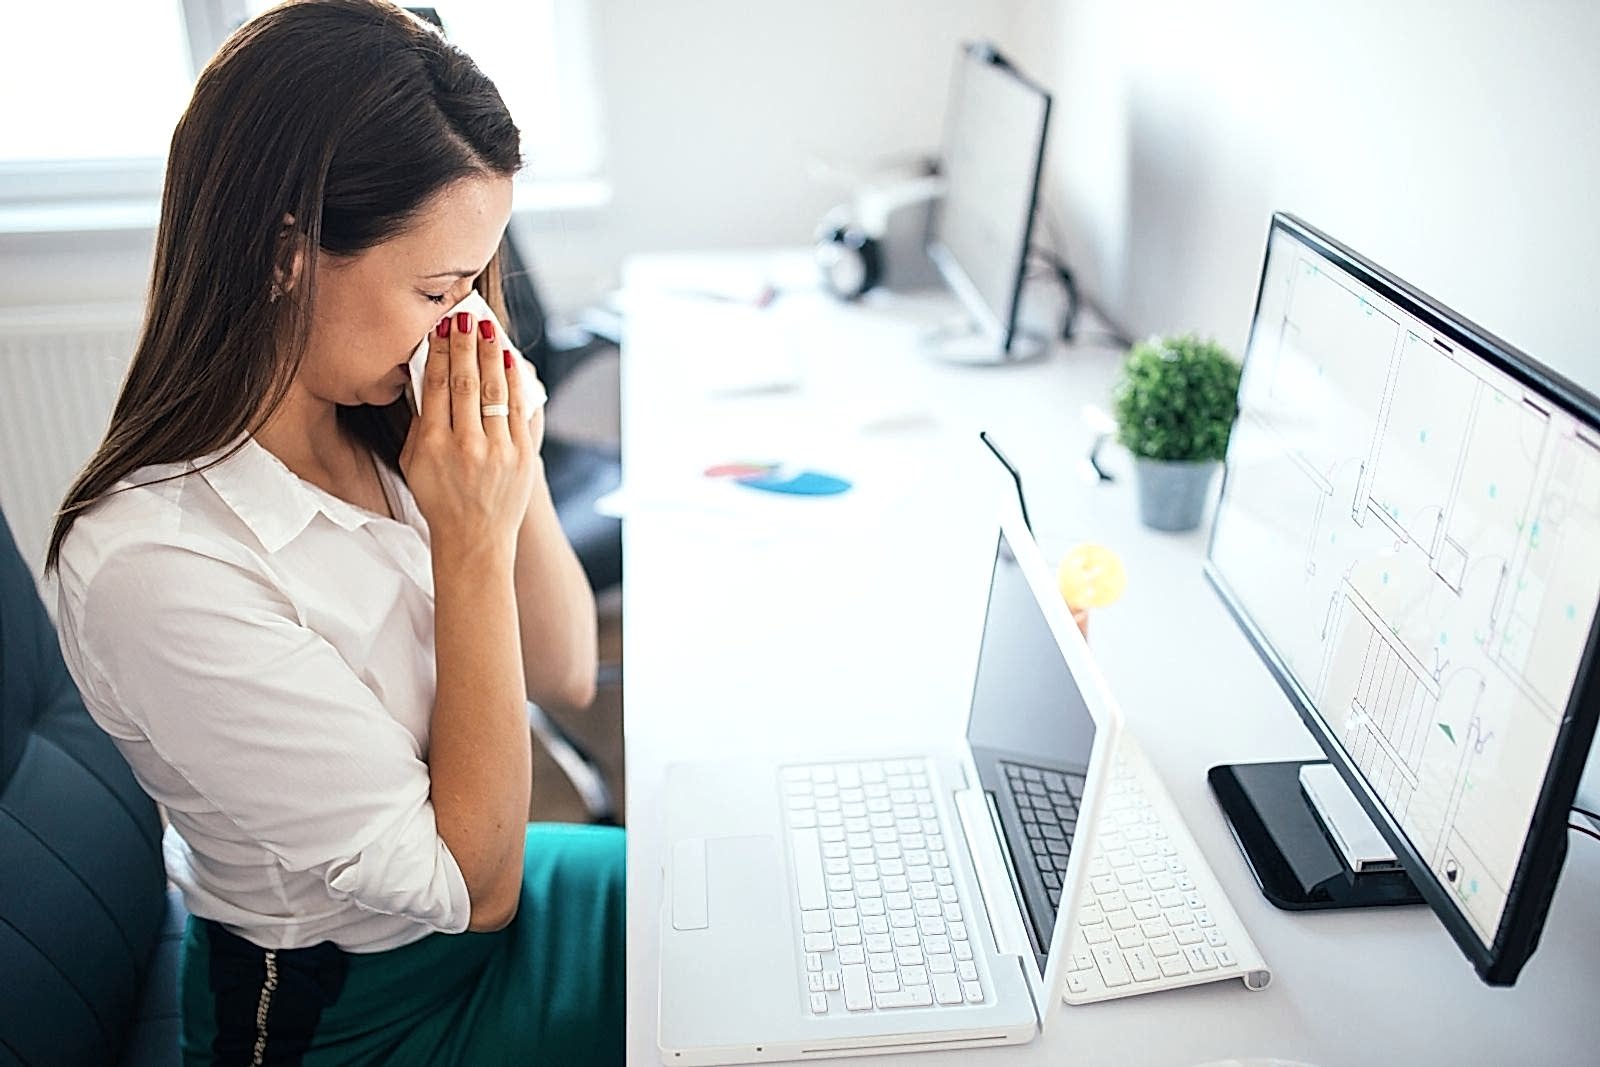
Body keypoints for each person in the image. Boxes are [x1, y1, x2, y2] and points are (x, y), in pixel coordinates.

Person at [45, 2, 623, 1062]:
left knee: (744, 901)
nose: (463, 328)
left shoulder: (396, 400)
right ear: (284, 258)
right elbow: (473, 888)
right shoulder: (160, 565)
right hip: (353, 1011)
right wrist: (467, 537)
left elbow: (566, 667)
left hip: (479, 897)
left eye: (473, 285)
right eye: (438, 289)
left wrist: (510, 459)